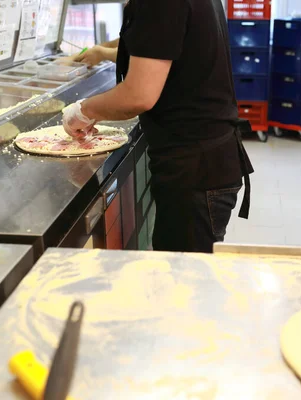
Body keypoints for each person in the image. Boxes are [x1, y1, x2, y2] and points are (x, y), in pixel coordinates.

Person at [62, 0, 253, 253]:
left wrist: (82, 111)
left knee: (186, 280)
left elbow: (137, 96)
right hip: (202, 161)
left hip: (196, 170)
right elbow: (154, 40)